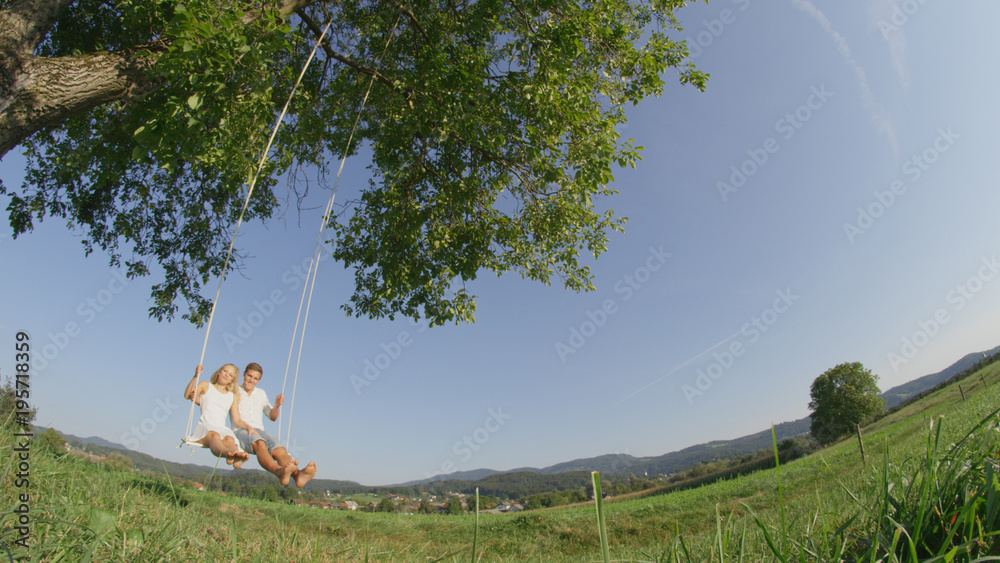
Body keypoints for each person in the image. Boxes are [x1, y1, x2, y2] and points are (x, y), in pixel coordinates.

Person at [232, 362, 317, 487]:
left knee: (278, 449)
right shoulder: (235, 391)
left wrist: (276, 406)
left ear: (258, 380)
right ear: (244, 374)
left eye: (255, 379)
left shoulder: (261, 393)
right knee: (260, 443)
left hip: (259, 430)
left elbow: (272, 416)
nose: (251, 380)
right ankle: (279, 472)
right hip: (241, 430)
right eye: (249, 376)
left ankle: (298, 476)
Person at [183, 364, 250, 467]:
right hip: (206, 426)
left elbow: (237, 419)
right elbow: (187, 395)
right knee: (215, 435)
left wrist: (249, 428)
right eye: (225, 371)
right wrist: (195, 376)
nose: (227, 375)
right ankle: (227, 453)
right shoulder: (206, 386)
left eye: (230, 375)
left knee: (229, 438)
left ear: (231, 381)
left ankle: (235, 455)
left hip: (221, 427)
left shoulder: (232, 396)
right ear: (219, 372)